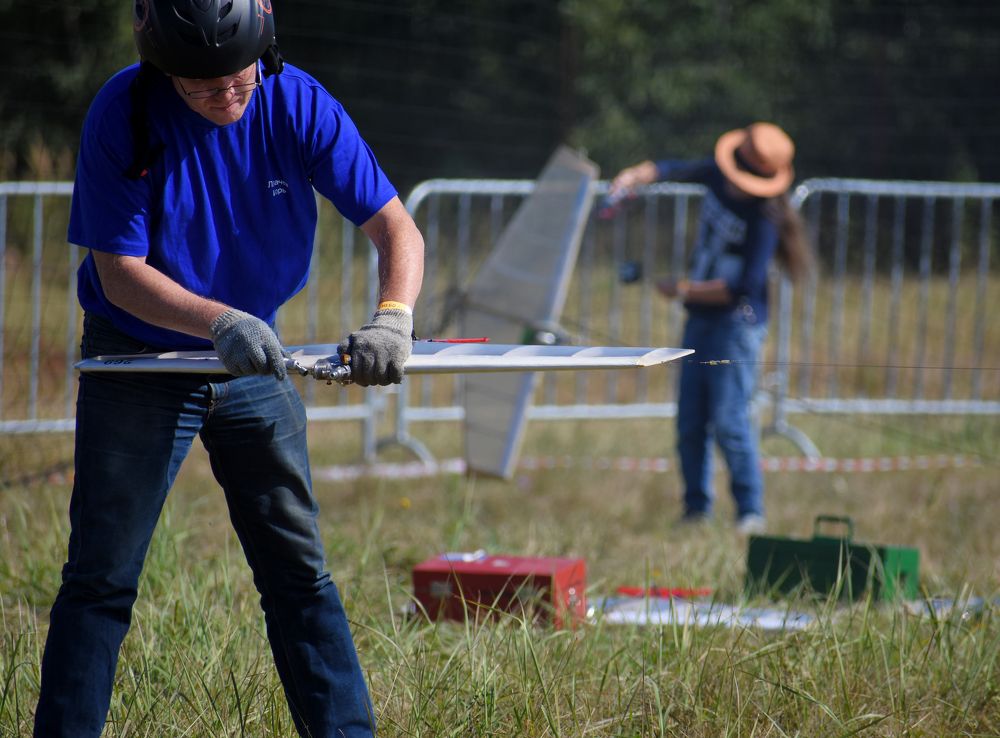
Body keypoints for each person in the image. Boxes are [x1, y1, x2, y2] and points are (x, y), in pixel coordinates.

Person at [34, 1, 423, 736]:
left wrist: (393, 317)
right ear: (162, 69)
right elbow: (118, 273)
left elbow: (394, 226)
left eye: (238, 80)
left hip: (254, 360)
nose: (225, 97)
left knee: (298, 572)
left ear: (264, 52)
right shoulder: (124, 111)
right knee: (101, 579)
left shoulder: (298, 102)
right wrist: (219, 321)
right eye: (201, 85)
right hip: (138, 356)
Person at [607, 122, 811, 534]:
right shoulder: (718, 175)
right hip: (699, 320)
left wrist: (684, 288)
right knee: (690, 421)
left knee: (731, 421)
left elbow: (745, 287)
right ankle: (696, 510)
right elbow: (671, 168)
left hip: (737, 327)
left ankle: (749, 512)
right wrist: (635, 176)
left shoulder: (765, 219)